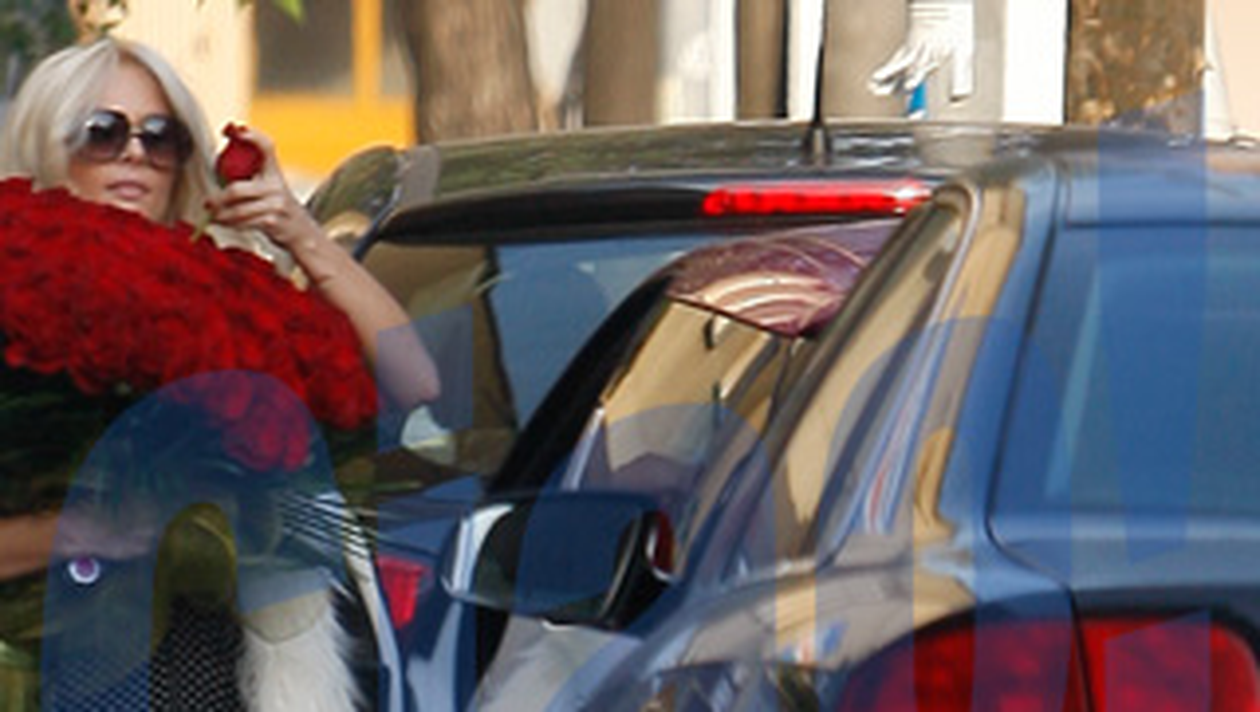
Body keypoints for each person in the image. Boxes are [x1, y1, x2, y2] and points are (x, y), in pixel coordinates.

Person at [0, 37, 430, 710]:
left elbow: (416, 378)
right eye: (103, 132)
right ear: (46, 142)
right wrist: (83, 529)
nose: (135, 154)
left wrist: (300, 233)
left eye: (160, 137)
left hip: (223, 674)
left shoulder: (229, 297)